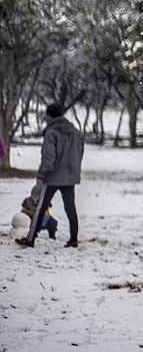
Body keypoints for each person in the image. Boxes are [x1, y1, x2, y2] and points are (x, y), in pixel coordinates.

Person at [15, 103, 84, 248]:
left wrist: (41, 175)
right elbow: (80, 152)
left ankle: (30, 239)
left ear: (48, 116)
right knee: (70, 208)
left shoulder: (51, 132)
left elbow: (48, 157)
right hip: (70, 176)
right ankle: (73, 239)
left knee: (41, 207)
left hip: (53, 177)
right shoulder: (76, 132)